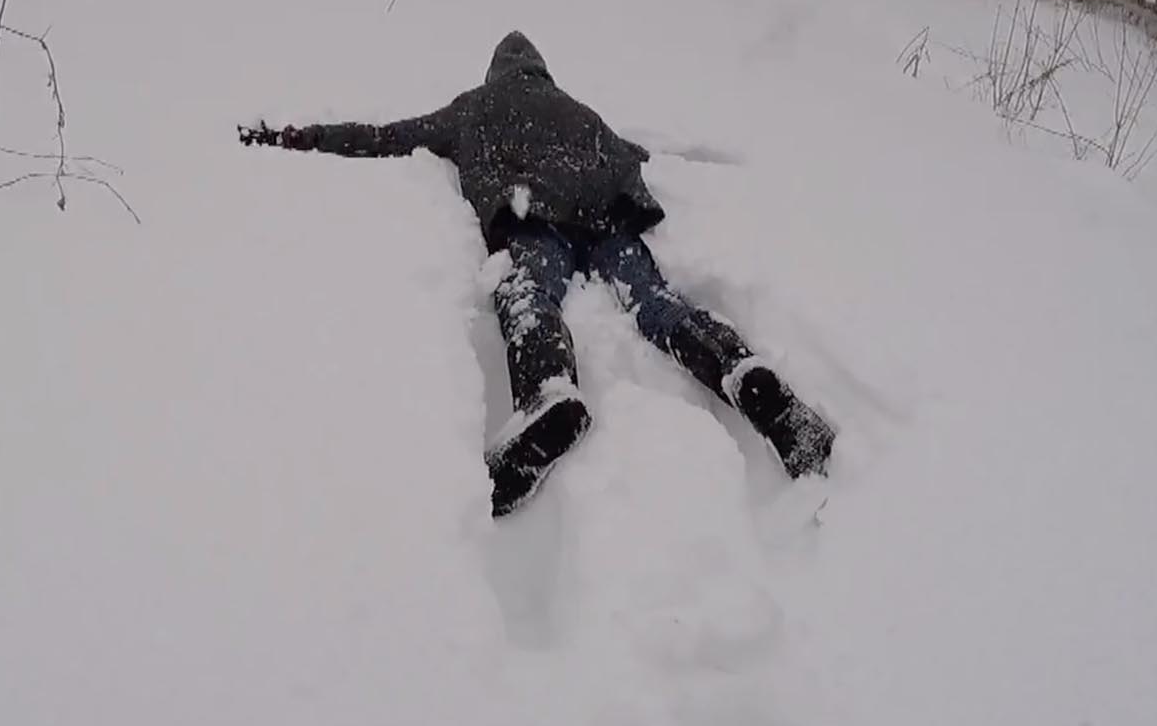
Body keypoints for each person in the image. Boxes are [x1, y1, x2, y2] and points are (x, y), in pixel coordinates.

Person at [241, 31, 835, 516]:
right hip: (608, 218)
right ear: (542, 72)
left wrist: (296, 138)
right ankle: (746, 374)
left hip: (536, 217)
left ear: (496, 72)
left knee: (528, 293)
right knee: (656, 304)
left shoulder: (474, 107)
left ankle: (549, 393)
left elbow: (386, 138)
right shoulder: (579, 111)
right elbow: (630, 153)